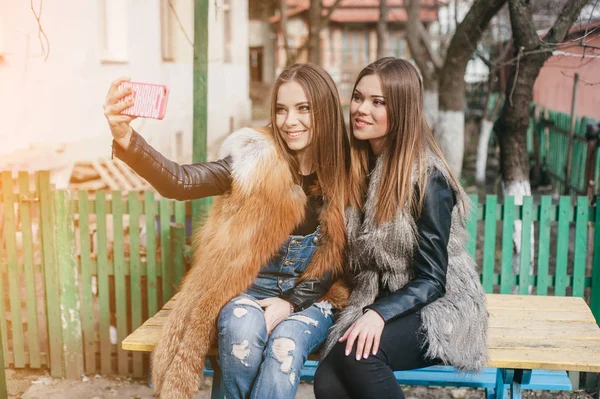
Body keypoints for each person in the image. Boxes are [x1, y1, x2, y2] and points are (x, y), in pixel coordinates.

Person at [103, 63, 349, 399]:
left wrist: (289, 303)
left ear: (326, 111)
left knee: (284, 350)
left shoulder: (346, 174)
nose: (290, 121)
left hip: (310, 297)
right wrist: (125, 137)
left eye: (303, 108)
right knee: (240, 334)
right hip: (245, 289)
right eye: (281, 109)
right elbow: (180, 181)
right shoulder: (254, 159)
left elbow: (337, 256)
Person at [313, 57, 488, 399]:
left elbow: (432, 279)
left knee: (360, 356)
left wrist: (379, 314)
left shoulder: (427, 178)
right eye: (359, 97)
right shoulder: (357, 168)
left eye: (378, 102)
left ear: (402, 111)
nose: (362, 109)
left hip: (441, 305)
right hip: (383, 299)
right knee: (328, 378)